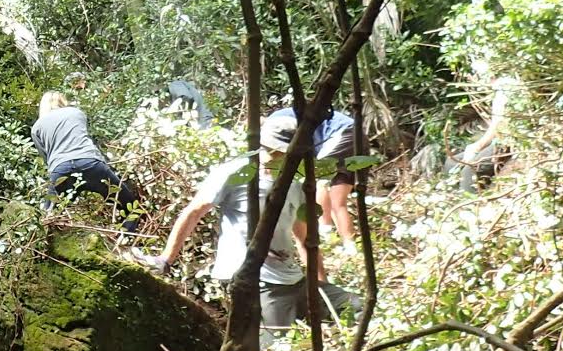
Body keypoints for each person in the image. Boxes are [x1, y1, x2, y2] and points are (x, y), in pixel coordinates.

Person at [146, 116, 352, 337]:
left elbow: (305, 240)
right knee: (277, 340)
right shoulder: (235, 173)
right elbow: (194, 212)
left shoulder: (294, 183)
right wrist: (166, 260)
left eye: (281, 152)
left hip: (291, 278)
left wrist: (319, 286)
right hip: (256, 280)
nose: (274, 156)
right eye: (271, 150)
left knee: (354, 306)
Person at [30, 90, 141, 231]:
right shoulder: (76, 113)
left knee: (48, 217)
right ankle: (125, 238)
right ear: (62, 101)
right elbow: (83, 136)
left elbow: (47, 158)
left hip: (60, 170)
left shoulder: (37, 127)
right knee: (130, 206)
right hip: (91, 163)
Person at [262, 103, 361, 244]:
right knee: (338, 202)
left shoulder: (274, 123)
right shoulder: (284, 118)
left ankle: (325, 230)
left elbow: (282, 151)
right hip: (356, 135)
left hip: (341, 133)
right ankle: (349, 243)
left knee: (320, 182)